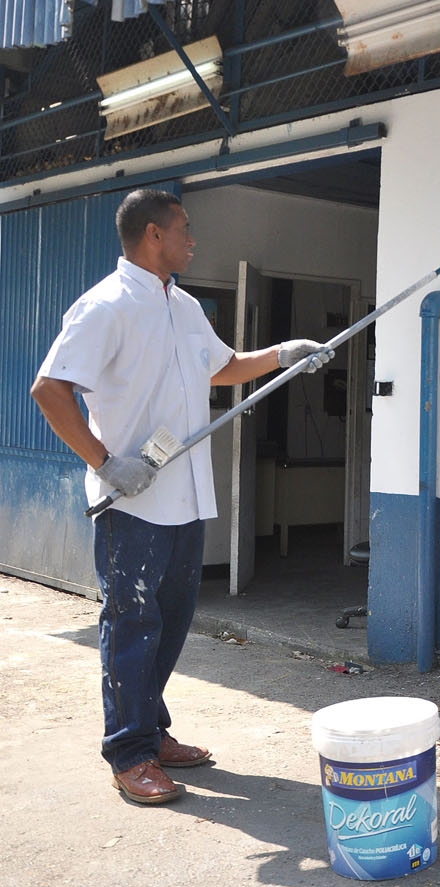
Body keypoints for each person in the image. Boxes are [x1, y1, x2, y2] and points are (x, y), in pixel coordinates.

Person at [30, 188, 333, 805]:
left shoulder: (187, 306)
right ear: (152, 235)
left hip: (187, 497)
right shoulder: (104, 307)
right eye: (184, 229)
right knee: (133, 623)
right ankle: (130, 752)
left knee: (170, 622)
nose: (194, 239)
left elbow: (219, 368)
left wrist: (284, 355)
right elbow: (50, 390)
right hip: (133, 503)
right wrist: (105, 462)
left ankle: (152, 729)